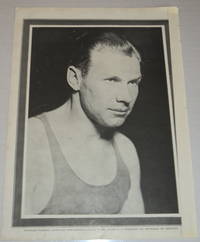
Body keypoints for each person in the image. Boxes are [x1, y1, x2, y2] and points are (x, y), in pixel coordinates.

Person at [25, 31, 145, 215]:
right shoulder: (30, 140)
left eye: (133, 83)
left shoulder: (125, 149)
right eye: (112, 80)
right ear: (75, 79)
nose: (126, 97)